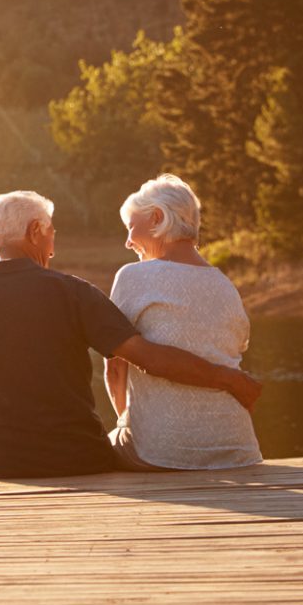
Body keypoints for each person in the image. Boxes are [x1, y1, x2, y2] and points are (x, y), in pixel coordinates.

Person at [0, 190, 261, 479]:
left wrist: (1, 443)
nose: (53, 248)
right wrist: (228, 378)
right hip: (79, 457)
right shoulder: (74, 293)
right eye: (51, 235)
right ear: (35, 232)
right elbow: (147, 357)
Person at [104, 174, 262, 471]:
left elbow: (114, 367)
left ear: (157, 218)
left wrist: (127, 422)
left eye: (130, 228)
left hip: (163, 453)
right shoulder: (225, 284)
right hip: (237, 451)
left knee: (103, 444)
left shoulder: (133, 276)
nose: (127, 242)